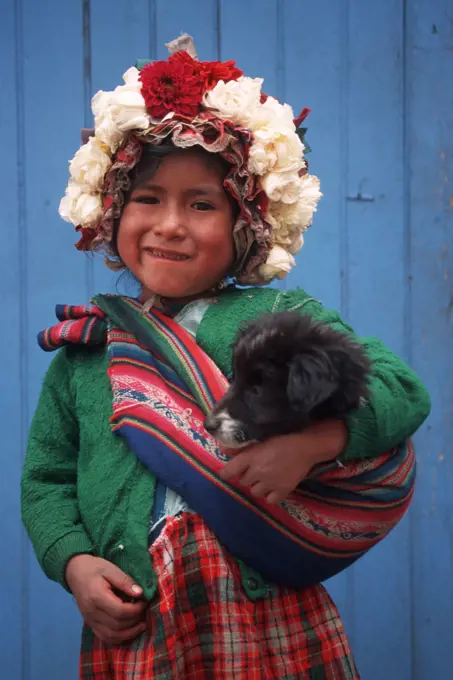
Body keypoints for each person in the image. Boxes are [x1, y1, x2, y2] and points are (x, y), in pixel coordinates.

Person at [21, 35, 430, 679]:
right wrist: (72, 563)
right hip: (141, 619)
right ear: (112, 209)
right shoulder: (86, 353)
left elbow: (401, 388)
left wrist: (318, 441)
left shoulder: (277, 321)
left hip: (265, 617)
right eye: (148, 198)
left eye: (202, 205)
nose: (171, 225)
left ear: (246, 225)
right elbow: (46, 481)